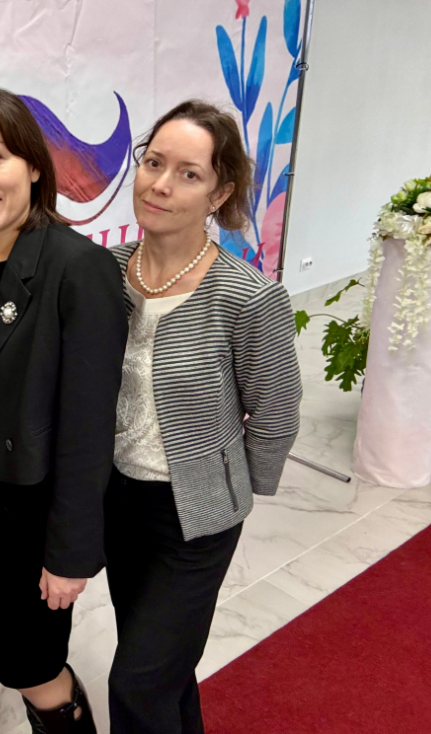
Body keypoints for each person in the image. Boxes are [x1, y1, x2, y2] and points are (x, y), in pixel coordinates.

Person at [0, 88, 128, 734]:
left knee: (32, 665)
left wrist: (70, 553)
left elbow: (88, 428)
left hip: (30, 518)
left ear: (34, 166)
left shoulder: (79, 267)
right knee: (17, 662)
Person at [105, 100, 303, 733]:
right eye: (153, 163)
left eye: (188, 174)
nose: (160, 185)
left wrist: (238, 487)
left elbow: (276, 410)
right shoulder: (105, 273)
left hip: (196, 514)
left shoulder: (247, 295)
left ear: (220, 193)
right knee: (163, 663)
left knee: (136, 680)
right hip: (116, 500)